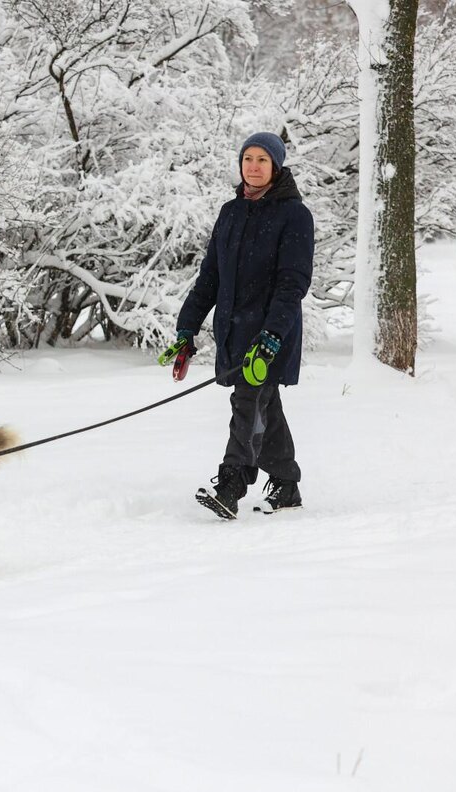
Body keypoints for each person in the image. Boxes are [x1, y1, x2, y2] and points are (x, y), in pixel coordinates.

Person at [170, 131, 314, 519]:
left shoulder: (294, 215)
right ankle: (286, 486)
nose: (253, 166)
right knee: (266, 408)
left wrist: (272, 336)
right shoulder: (230, 213)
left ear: (276, 166)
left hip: (271, 334)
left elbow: (293, 283)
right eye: (248, 158)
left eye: (262, 160)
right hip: (234, 331)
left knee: (248, 403)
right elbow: (210, 277)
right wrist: (187, 329)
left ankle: (231, 482)